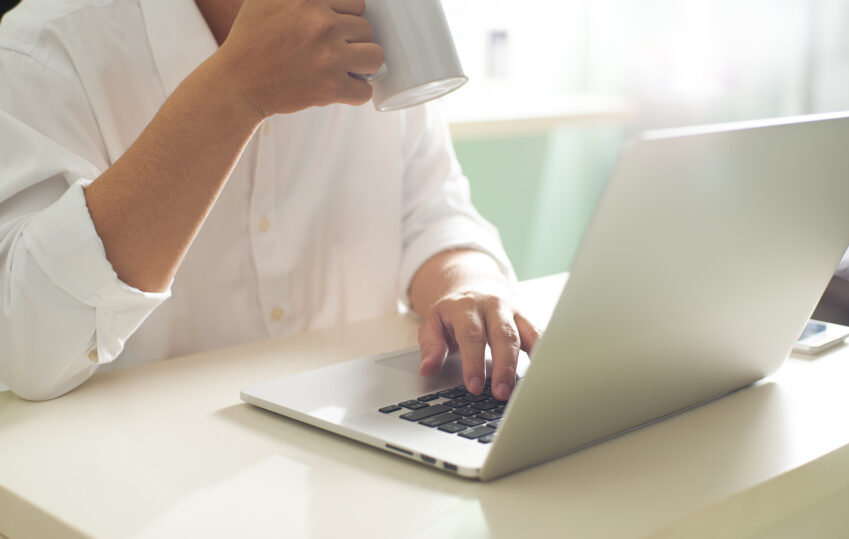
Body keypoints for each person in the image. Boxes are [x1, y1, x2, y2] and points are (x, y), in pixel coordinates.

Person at [0, 0, 540, 401]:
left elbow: (435, 218)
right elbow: (30, 349)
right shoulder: (44, 50)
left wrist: (469, 286)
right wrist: (236, 89)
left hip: (353, 461)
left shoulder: (374, 31)